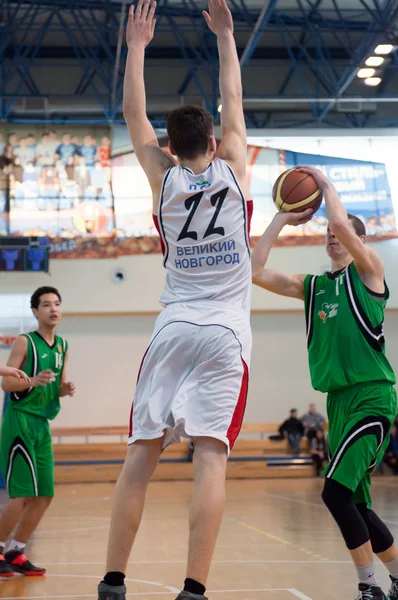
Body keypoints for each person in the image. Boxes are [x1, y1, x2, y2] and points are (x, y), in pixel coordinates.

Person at [97, 1, 252, 599]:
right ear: (213, 141)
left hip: (173, 326)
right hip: (226, 335)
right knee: (211, 459)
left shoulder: (162, 178)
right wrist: (226, 37)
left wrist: (137, 46)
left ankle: (113, 581)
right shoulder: (233, 165)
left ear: (169, 144)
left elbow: (132, 113)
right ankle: (193, 589)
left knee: (141, 454)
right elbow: (232, 98)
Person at [251, 165, 398, 600]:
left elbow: (338, 221)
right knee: (355, 502)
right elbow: (255, 270)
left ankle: (368, 587)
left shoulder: (370, 273)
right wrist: (281, 215)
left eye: (344, 233)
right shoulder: (313, 287)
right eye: (331, 234)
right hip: (338, 403)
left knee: (334, 493)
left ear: (359, 241)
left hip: (373, 397)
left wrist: (328, 185)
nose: (334, 235)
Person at [0, 286, 75, 578]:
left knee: (45, 494)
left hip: (42, 424)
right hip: (19, 420)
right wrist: (31, 380)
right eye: (46, 304)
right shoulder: (24, 342)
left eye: (57, 303)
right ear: (35, 311)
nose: (53, 309)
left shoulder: (63, 346)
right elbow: (7, 383)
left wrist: (63, 390)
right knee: (22, 495)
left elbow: (54, 385)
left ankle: (16, 551)